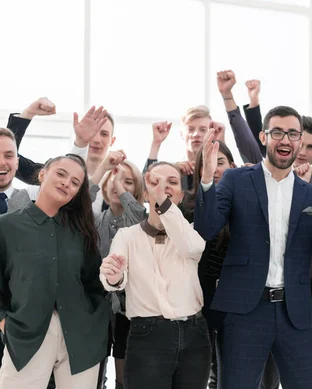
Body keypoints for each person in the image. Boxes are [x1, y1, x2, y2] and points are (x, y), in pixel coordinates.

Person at [195, 100, 312, 389]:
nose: (286, 140)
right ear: (264, 137)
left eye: (293, 134)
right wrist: (207, 179)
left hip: (294, 313)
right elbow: (206, 229)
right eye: (277, 132)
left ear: (301, 140)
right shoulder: (235, 179)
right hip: (244, 311)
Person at [0, 153, 109, 388]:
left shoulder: (82, 231)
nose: (66, 183)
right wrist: (3, 321)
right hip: (25, 332)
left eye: (74, 182)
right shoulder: (6, 226)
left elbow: (94, 283)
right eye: (61, 174)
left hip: (81, 334)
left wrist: (97, 320)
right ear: (42, 174)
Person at [100, 161, 210, 389]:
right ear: (147, 191)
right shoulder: (127, 236)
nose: (164, 187)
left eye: (172, 182)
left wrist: (162, 199)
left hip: (194, 335)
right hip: (147, 336)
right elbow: (114, 280)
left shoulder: (190, 231)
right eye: (157, 181)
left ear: (180, 194)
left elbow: (194, 249)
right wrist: (113, 276)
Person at [90, 151, 146, 389]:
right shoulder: (94, 219)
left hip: (129, 311)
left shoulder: (140, 219)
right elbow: (79, 201)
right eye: (113, 179)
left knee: (125, 379)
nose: (117, 184)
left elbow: (137, 212)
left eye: (128, 181)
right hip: (97, 309)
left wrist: (117, 181)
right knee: (94, 376)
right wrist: (105, 170)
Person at [144, 109, 226, 190]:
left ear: (211, 134)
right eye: (191, 129)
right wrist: (156, 143)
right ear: (181, 134)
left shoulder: (217, 170)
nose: (196, 134)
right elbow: (146, 191)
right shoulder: (174, 169)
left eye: (203, 129)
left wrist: (220, 143)